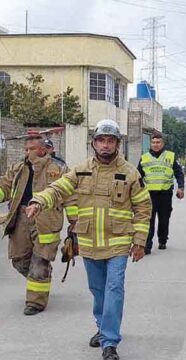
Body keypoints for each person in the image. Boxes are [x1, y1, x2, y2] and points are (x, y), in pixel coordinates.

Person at [26, 119, 152, 360]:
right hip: (89, 243)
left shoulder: (129, 173)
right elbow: (59, 188)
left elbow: (144, 207)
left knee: (114, 289)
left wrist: (140, 241)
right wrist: (39, 201)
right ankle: (103, 326)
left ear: (117, 144)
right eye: (101, 140)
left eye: (110, 140)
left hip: (118, 243)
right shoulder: (81, 169)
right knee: (97, 290)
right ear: (94, 143)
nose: (106, 145)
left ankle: (109, 343)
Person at [0, 135, 77, 315]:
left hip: (46, 220)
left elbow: (71, 197)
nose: (27, 153)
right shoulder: (18, 168)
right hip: (20, 219)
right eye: (26, 149)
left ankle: (35, 302)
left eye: (31, 149)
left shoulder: (58, 169)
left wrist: (74, 223)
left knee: (40, 260)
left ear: (43, 150)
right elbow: (4, 186)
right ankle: (41, 278)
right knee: (19, 260)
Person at [137, 131, 184, 254]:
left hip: (165, 194)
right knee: (148, 220)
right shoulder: (144, 158)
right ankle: (147, 246)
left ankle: (162, 240)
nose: (155, 144)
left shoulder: (170, 156)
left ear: (163, 143)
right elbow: (138, 176)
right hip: (149, 195)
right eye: (153, 142)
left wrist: (181, 187)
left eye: (158, 142)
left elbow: (179, 173)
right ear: (150, 144)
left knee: (164, 220)